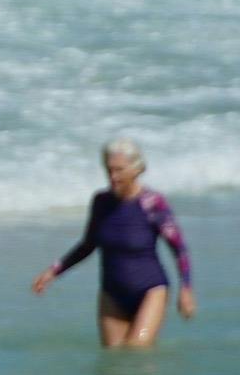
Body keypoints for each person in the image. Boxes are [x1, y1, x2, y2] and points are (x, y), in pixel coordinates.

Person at [34, 137, 196, 349]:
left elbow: (179, 249)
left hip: (150, 290)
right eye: (109, 170)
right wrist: (54, 271)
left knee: (136, 352)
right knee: (115, 360)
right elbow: (88, 244)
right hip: (111, 293)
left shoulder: (152, 203)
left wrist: (186, 289)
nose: (113, 176)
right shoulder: (101, 202)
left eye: (119, 170)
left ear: (136, 169)